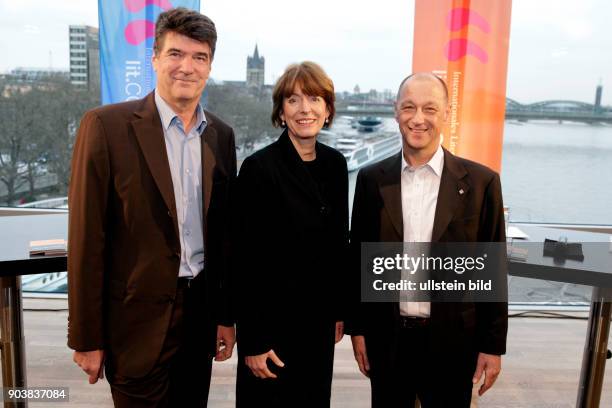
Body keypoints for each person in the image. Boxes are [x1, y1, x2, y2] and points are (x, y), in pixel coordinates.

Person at [67, 8, 236, 407]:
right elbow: (87, 240)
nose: (187, 67)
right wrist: (87, 338)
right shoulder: (106, 127)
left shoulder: (221, 136)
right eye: (176, 54)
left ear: (209, 66)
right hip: (134, 323)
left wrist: (225, 316)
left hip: (199, 316)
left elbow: (223, 235)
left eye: (200, 57)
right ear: (155, 58)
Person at [347, 72, 508, 407]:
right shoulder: (370, 180)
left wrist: (492, 346)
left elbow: (492, 271)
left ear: (446, 113)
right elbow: (360, 259)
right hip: (388, 340)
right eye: (409, 107)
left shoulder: (482, 184)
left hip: (454, 343)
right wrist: (358, 329)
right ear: (396, 111)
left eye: (429, 109)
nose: (418, 118)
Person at [234, 61, 349, 408]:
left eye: (314, 99)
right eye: (293, 100)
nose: (305, 109)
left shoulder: (335, 165)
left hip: (317, 325)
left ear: (327, 111)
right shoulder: (258, 168)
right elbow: (243, 259)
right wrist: (252, 340)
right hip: (272, 330)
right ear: (281, 112)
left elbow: (339, 244)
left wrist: (339, 310)